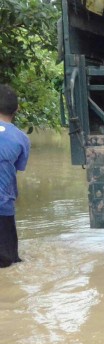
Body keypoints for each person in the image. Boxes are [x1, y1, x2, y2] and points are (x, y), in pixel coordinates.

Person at [0, 85, 30, 268]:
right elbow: (16, 169)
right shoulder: (21, 138)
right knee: (9, 264)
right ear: (17, 109)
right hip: (3, 207)